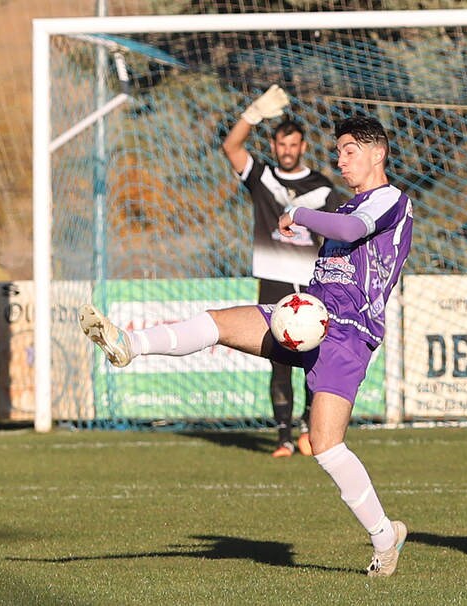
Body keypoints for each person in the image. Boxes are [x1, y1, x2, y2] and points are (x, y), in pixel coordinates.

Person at [79, 115, 412, 577]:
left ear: (378, 152)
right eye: (338, 151)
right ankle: (128, 343)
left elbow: (355, 231)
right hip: (308, 316)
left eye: (349, 150)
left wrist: (297, 214)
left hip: (348, 335)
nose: (340, 160)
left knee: (326, 445)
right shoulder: (348, 207)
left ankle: (384, 537)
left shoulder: (390, 200)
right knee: (216, 323)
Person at [222, 85, 343, 458]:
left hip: (311, 281)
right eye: (281, 144)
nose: (287, 151)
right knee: (279, 360)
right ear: (273, 145)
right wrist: (254, 113)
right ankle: (283, 438)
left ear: (303, 146)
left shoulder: (321, 188)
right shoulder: (262, 178)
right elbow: (231, 148)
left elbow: (337, 231)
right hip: (274, 278)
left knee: (312, 358)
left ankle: (311, 430)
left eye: (293, 145)